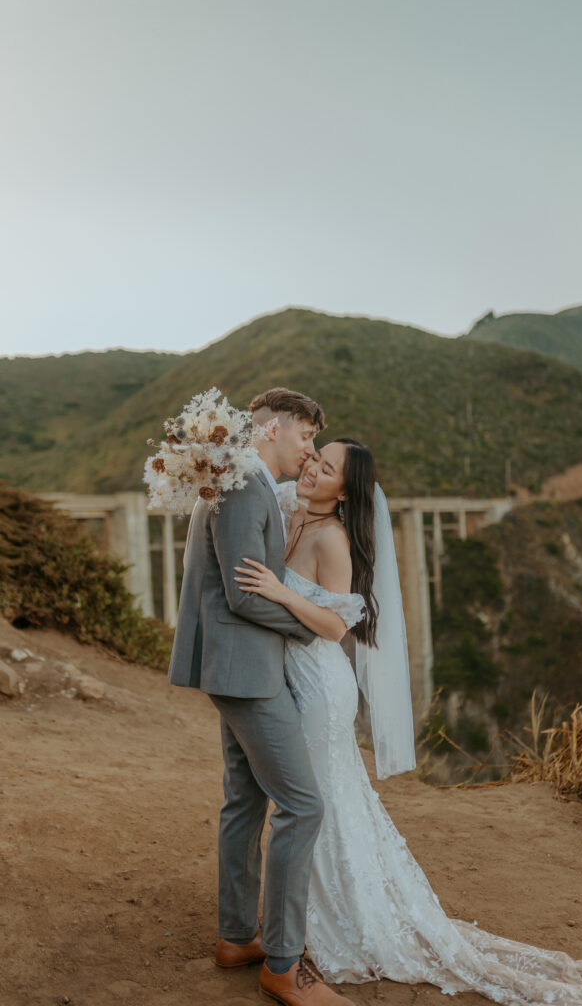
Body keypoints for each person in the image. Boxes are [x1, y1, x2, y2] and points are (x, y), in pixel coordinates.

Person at [235, 438, 582, 1006]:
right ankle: (300, 922)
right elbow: (264, 481)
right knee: (323, 801)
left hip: (319, 689)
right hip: (291, 682)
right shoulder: (293, 507)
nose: (313, 467)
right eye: (315, 457)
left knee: (315, 801)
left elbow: (336, 627)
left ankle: (319, 926)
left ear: (346, 491)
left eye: (328, 467)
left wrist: (277, 593)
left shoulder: (332, 539)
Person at [169, 388, 355, 1006]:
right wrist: (308, 628)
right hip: (248, 672)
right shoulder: (245, 484)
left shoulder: (240, 479)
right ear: (273, 427)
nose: (308, 451)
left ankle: (234, 936)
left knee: (245, 802)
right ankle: (282, 964)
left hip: (233, 666)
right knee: (303, 807)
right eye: (306, 438)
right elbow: (247, 594)